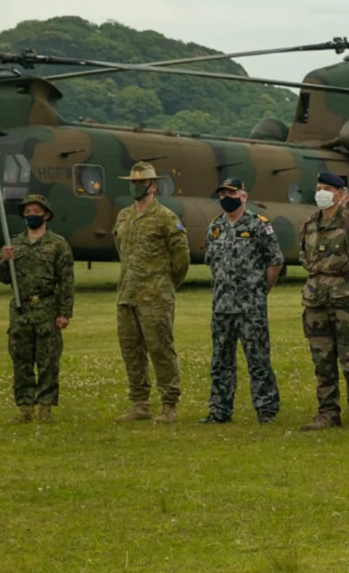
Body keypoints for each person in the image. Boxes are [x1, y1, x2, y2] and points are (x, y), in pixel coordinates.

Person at [201, 178, 284, 425]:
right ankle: (219, 410)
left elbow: (275, 261)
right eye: (223, 193)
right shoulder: (215, 226)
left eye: (232, 192)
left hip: (251, 307)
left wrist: (260, 291)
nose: (227, 196)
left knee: (258, 359)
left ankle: (266, 409)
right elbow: (212, 263)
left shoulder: (259, 225)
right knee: (220, 361)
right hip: (222, 307)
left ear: (244, 196)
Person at [298, 172, 349, 430]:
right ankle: (327, 412)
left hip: (347, 303)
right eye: (319, 187)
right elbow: (305, 259)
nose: (321, 192)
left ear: (342, 193)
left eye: (328, 188)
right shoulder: (310, 223)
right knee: (322, 360)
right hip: (315, 302)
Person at [113, 161, 189, 424]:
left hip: (155, 297)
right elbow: (122, 250)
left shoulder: (166, 218)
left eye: (141, 183)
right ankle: (139, 403)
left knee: (160, 349)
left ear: (153, 186)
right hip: (127, 295)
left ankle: (169, 405)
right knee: (131, 351)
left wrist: (165, 284)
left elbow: (181, 258)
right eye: (132, 182)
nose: (136, 187)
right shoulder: (124, 216)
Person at [0, 194, 75, 423]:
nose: (31, 215)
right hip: (21, 311)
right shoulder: (14, 244)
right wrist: (3, 259)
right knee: (21, 361)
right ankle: (25, 408)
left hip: (47, 308)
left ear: (46, 215)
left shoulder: (58, 244)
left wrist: (64, 313)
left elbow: (66, 281)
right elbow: (1, 277)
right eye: (27, 212)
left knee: (48, 361)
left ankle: (46, 408)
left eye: (36, 212)